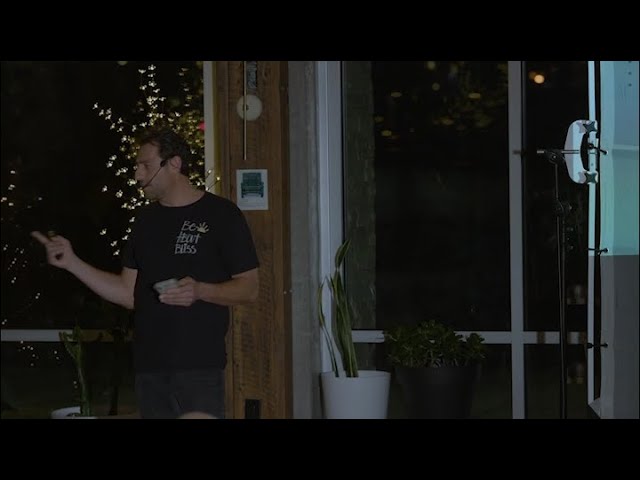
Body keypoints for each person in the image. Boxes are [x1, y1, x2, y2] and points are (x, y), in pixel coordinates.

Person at [31, 128, 259, 419]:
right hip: (148, 370)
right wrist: (72, 263)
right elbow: (129, 294)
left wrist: (201, 290)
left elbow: (249, 288)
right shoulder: (145, 221)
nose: (138, 175)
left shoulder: (222, 214)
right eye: (136, 166)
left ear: (174, 163)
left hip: (199, 369)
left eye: (145, 165)